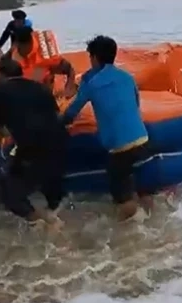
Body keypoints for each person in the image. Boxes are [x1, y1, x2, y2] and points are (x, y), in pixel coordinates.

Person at [61, 35, 151, 221]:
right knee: (133, 182)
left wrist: (56, 123)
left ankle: (130, 235)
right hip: (143, 139)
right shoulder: (127, 77)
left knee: (121, 197)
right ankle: (148, 215)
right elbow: (135, 104)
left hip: (120, 148)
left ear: (94, 58)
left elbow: (72, 112)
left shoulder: (92, 84)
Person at [0, 58, 67, 230]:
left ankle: (42, 224)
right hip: (60, 142)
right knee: (52, 193)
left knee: (4, 189)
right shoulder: (40, 88)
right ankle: (57, 216)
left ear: (1, 73)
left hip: (32, 147)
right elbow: (55, 116)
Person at [0, 26, 77, 95]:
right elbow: (2, 59)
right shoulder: (16, 48)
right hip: (24, 78)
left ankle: (47, 96)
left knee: (44, 76)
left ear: (28, 44)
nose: (18, 51)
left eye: (21, 49)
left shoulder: (47, 54)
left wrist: (69, 85)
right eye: (17, 47)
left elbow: (69, 68)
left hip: (41, 76)